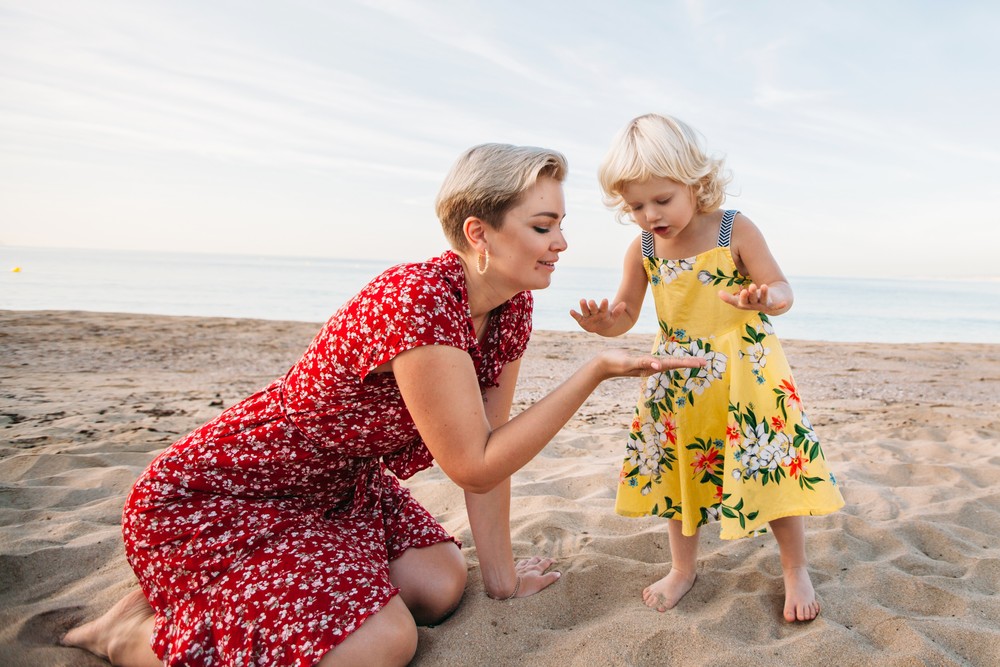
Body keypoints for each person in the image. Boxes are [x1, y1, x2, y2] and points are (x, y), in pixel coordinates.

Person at [62, 142, 705, 667]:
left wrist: (502, 583)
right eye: (543, 225)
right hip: (234, 492)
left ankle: (226, 600)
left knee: (442, 583)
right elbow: (473, 465)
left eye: (561, 223)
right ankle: (123, 638)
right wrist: (592, 371)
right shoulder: (418, 301)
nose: (561, 241)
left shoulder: (510, 306)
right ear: (478, 232)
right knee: (386, 643)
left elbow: (493, 443)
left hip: (343, 486)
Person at [571, 114, 845, 622]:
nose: (650, 215)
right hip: (678, 376)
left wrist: (765, 297)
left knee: (770, 463)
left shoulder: (732, 227)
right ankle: (682, 567)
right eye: (635, 206)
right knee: (681, 474)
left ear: (695, 182)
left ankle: (794, 567)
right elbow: (626, 312)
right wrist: (603, 325)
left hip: (747, 371)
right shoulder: (645, 248)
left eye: (662, 199)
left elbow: (782, 290)